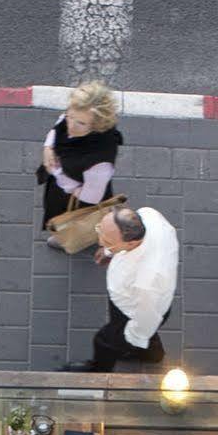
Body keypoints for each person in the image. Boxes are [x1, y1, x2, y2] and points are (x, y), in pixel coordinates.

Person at [58, 205, 179, 372]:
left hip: (133, 310)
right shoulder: (149, 215)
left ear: (132, 243)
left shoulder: (149, 280)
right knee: (147, 336)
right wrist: (109, 251)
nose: (100, 242)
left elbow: (147, 317)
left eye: (108, 242)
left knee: (104, 342)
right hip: (142, 300)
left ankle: (98, 371)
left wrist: (130, 338)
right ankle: (152, 355)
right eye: (100, 229)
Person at [37, 82, 123, 249]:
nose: (71, 127)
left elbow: (91, 197)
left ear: (97, 125)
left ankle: (71, 239)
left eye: (81, 123)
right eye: (70, 116)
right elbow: (59, 125)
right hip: (70, 179)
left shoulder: (100, 163)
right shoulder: (76, 115)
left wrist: (58, 173)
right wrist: (48, 148)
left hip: (76, 194)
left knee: (76, 219)